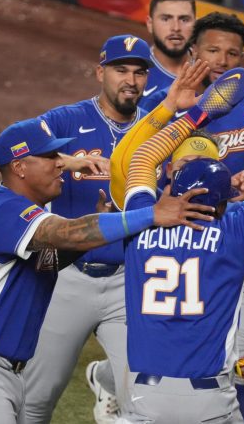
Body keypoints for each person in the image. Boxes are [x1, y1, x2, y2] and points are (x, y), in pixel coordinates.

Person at [0, 117, 213, 424]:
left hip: (1, 373)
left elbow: (49, 261)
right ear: (20, 167)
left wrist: (91, 237)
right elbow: (66, 232)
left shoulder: (14, 212)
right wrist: (151, 214)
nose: (61, 164)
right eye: (50, 157)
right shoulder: (3, 209)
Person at [114, 67, 244, 423]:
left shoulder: (140, 218)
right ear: (224, 200)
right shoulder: (237, 229)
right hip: (209, 402)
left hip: (144, 396)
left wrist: (198, 113)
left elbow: (143, 157)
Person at [136, 11, 244, 423]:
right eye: (212, 50)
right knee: (178, 352)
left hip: (238, 240)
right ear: (193, 51)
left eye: (232, 53)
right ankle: (113, 377)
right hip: (182, 243)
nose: (221, 60)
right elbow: (142, 168)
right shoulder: (164, 102)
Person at [21, 33, 152, 424]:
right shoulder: (66, 119)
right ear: (100, 73)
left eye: (139, 72)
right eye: (120, 70)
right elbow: (16, 153)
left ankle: (109, 382)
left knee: (145, 405)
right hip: (68, 280)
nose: (130, 80)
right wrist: (66, 160)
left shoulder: (157, 132)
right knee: (35, 401)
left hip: (129, 285)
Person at [142, 0, 195, 101]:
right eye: (166, 19)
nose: (176, 28)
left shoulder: (210, 70)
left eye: (184, 20)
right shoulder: (134, 74)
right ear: (150, 24)